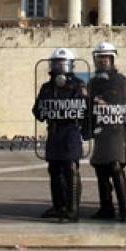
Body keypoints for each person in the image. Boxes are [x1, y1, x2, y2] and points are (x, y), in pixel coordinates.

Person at [32, 47, 89, 223]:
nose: (60, 68)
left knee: (71, 169)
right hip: (54, 130)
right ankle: (59, 206)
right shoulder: (47, 87)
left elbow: (86, 110)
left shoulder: (78, 85)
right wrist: (45, 110)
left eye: (63, 64)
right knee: (54, 170)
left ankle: (72, 209)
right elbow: (38, 111)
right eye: (57, 64)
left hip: (71, 130)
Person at [87, 41, 126, 221]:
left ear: (112, 59)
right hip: (101, 130)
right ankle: (106, 208)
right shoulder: (93, 82)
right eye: (100, 58)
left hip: (116, 129)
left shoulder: (121, 80)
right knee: (100, 168)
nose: (103, 61)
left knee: (115, 167)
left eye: (106, 58)